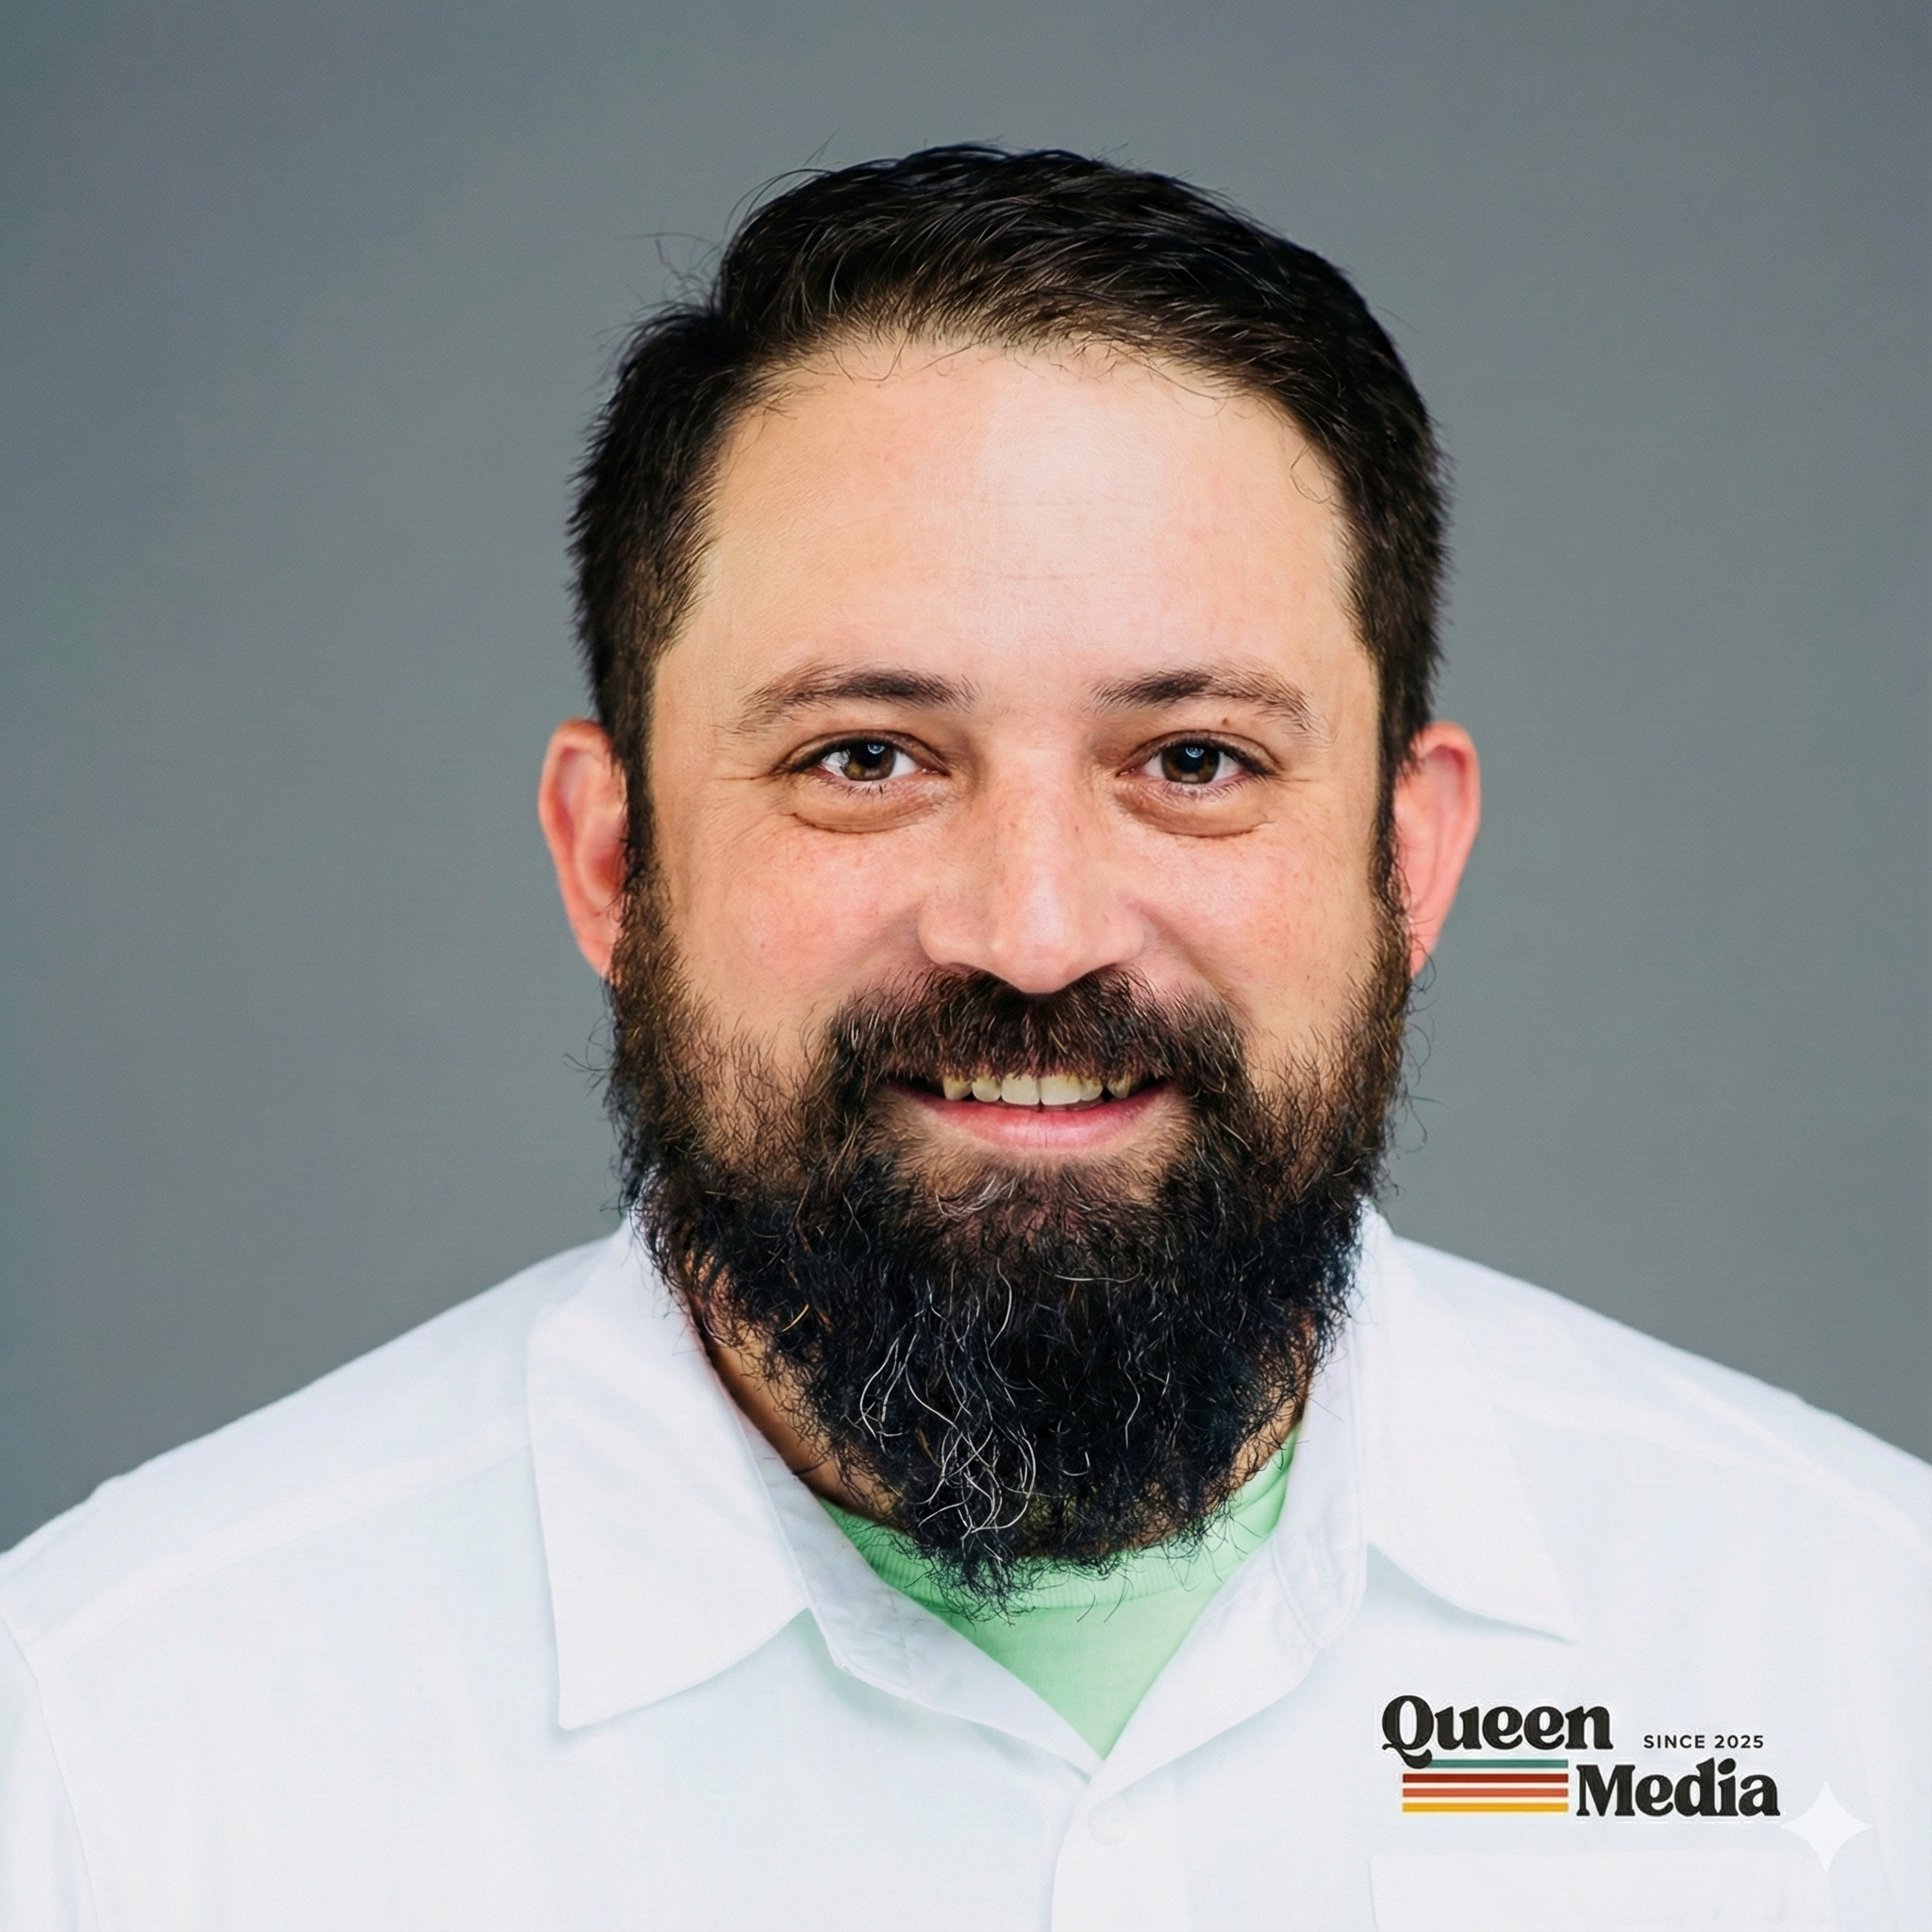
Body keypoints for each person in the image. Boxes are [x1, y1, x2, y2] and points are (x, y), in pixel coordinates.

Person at [0, 145, 1924, 1932]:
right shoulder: (112, 1749)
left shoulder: (1858, 1648)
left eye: (1194, 761)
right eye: (864, 757)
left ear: (1406, 861)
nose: (1034, 931)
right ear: (613, 860)